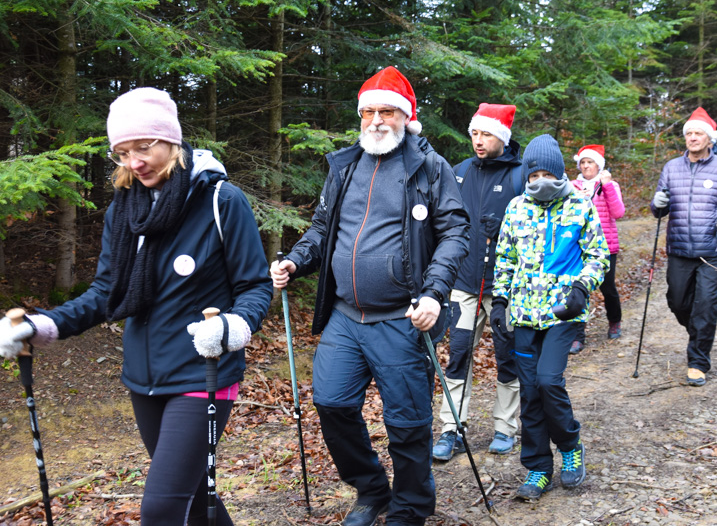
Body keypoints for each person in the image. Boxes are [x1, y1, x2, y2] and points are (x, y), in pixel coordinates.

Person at [0, 87, 273, 525]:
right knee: (194, 494)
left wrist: (233, 326)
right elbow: (104, 293)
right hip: (144, 378)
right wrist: (41, 325)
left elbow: (256, 287)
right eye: (122, 153)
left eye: (144, 147)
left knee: (161, 508)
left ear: (172, 141)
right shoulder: (124, 211)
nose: (134, 162)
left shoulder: (221, 202)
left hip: (203, 373)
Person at [270, 66, 469, 526]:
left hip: (403, 317)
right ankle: (372, 489)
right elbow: (323, 229)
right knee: (333, 403)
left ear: (407, 117)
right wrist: (296, 261)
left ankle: (411, 507)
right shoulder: (345, 165)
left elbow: (455, 233)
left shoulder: (429, 167)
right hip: (345, 316)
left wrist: (436, 294)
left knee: (407, 423)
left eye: (388, 111)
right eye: (369, 112)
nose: (377, 120)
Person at [492, 134, 609, 501]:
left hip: (563, 314)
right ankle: (539, 468)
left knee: (547, 381)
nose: (541, 180)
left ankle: (571, 446)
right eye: (534, 174)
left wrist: (581, 289)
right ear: (526, 176)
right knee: (529, 392)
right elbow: (505, 258)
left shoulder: (580, 206)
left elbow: (598, 255)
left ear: (560, 173)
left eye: (548, 173)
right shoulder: (515, 208)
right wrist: (499, 300)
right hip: (525, 315)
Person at [432, 103, 522, 462]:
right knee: (458, 355)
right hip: (463, 283)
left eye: (486, 134)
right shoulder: (459, 173)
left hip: (505, 288)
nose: (478, 141)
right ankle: (452, 428)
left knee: (507, 357)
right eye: (474, 133)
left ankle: (505, 427)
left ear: (501, 136)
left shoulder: (521, 174)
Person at [650, 107, 717, 387]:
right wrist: (657, 204)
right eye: (689, 133)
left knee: (705, 305)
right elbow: (659, 207)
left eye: (698, 133)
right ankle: (699, 332)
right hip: (679, 248)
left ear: (710, 139)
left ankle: (698, 361)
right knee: (678, 302)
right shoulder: (671, 167)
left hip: (712, 250)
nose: (692, 138)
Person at [570, 144, 625, 353]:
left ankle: (614, 321)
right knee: (579, 288)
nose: (585, 166)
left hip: (606, 245)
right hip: (578, 246)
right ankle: (577, 336)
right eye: (582, 162)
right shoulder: (572, 185)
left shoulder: (610, 185)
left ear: (598, 165)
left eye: (589, 162)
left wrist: (607, 186)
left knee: (607, 288)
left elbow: (618, 212)